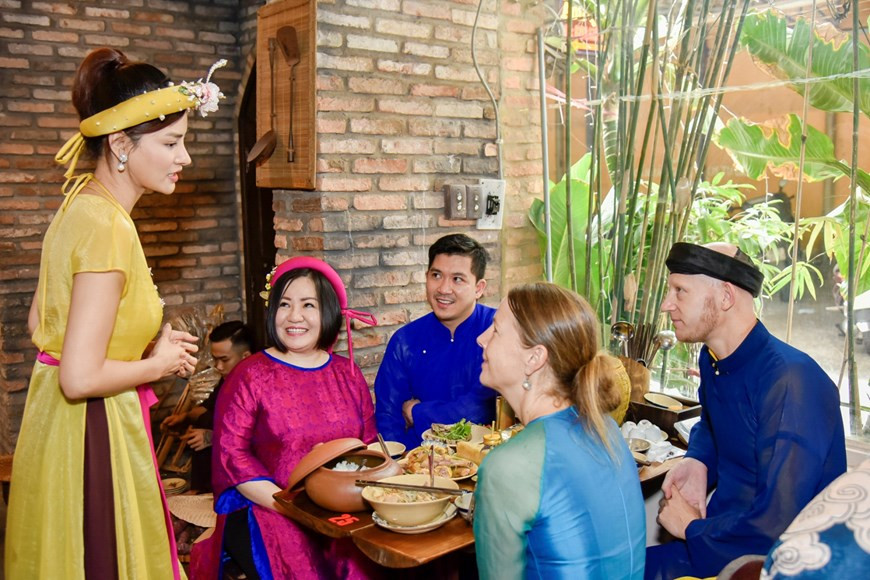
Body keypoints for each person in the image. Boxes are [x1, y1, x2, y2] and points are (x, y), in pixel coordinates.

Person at [5, 47, 227, 579]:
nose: (184, 158)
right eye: (171, 143)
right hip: (94, 430)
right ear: (121, 144)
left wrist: (134, 348)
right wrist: (157, 363)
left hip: (56, 427)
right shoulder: (107, 226)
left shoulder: (79, 203)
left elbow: (41, 325)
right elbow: (80, 378)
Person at [646, 242, 847, 579]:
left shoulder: (790, 382)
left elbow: (779, 522)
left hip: (769, 562)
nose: (667, 304)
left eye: (680, 291)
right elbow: (713, 423)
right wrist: (697, 459)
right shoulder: (712, 358)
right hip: (720, 540)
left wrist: (691, 527)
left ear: (726, 296)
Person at [190, 256, 379, 580]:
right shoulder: (250, 375)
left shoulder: (347, 373)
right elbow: (232, 455)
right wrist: (291, 507)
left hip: (341, 504)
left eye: (308, 305)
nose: (294, 317)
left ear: (328, 311)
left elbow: (368, 445)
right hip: (271, 506)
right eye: (285, 304)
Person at [474, 282, 646, 579]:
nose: (481, 339)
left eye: (496, 330)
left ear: (534, 358)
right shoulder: (603, 425)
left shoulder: (507, 466)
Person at [375, 233, 497, 447]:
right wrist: (401, 461)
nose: (443, 289)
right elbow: (388, 417)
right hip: (420, 458)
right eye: (436, 275)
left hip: (487, 456)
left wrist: (417, 412)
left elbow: (482, 407)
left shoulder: (496, 330)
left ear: (479, 288)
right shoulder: (405, 341)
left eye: (457, 279)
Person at [161, 320, 255, 493]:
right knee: (204, 419)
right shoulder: (229, 379)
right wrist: (183, 418)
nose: (218, 367)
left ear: (246, 356)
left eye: (224, 359)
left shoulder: (257, 386)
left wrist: (212, 437)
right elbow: (207, 407)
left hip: (246, 471)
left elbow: (260, 435)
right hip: (220, 460)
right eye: (215, 359)